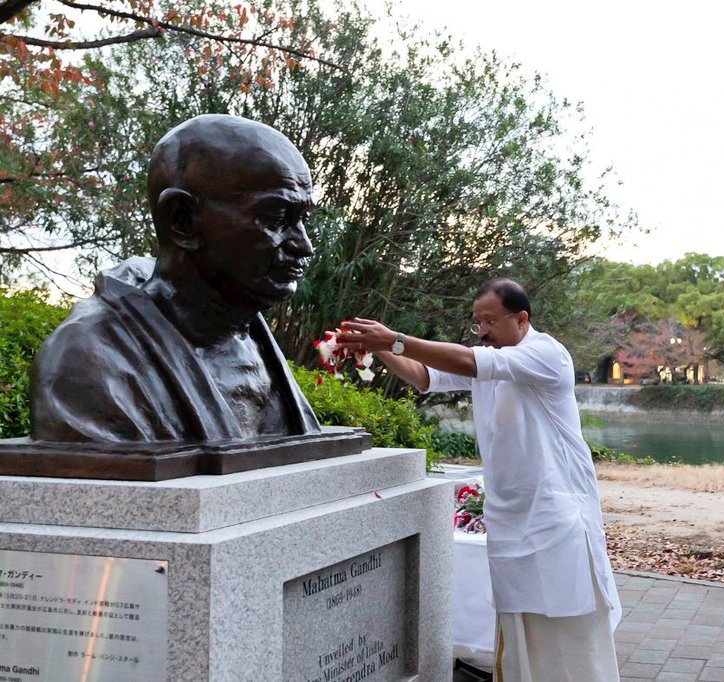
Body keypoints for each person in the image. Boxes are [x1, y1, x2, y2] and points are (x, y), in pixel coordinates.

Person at [337, 278, 621, 682]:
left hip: (557, 523)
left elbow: (470, 362)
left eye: (489, 321)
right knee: (521, 644)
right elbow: (424, 376)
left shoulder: (545, 354)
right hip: (510, 523)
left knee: (569, 641)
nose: (482, 331)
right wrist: (379, 347)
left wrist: (395, 339)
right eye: (477, 323)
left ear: (521, 319)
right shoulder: (489, 360)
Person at [31, 114, 320, 443]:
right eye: (277, 217)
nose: (304, 246)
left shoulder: (254, 342)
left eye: (302, 219)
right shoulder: (90, 365)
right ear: (183, 221)